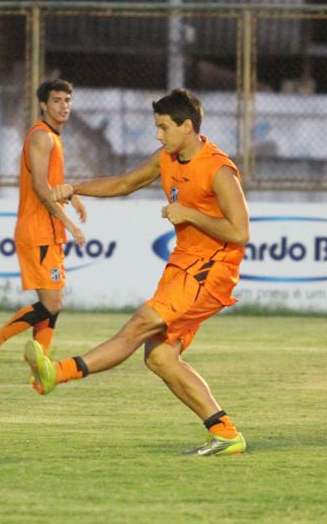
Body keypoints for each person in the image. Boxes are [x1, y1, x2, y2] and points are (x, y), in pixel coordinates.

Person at [28, 87, 250, 456]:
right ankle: (226, 434)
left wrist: (190, 214)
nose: (158, 136)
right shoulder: (168, 156)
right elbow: (125, 183)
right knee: (159, 357)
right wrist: (76, 187)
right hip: (183, 264)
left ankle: (59, 372)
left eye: (163, 127)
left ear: (187, 127)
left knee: (138, 326)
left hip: (212, 270)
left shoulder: (218, 169)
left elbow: (241, 232)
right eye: (157, 127)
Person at [0, 79, 86, 381]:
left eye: (67, 100)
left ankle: (40, 359)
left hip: (49, 231)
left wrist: (72, 195)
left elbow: (50, 181)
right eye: (57, 101)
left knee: (56, 299)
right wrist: (70, 223)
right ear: (43, 105)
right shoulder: (41, 137)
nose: (64, 106)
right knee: (51, 302)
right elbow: (39, 187)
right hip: (37, 230)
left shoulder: (53, 137)